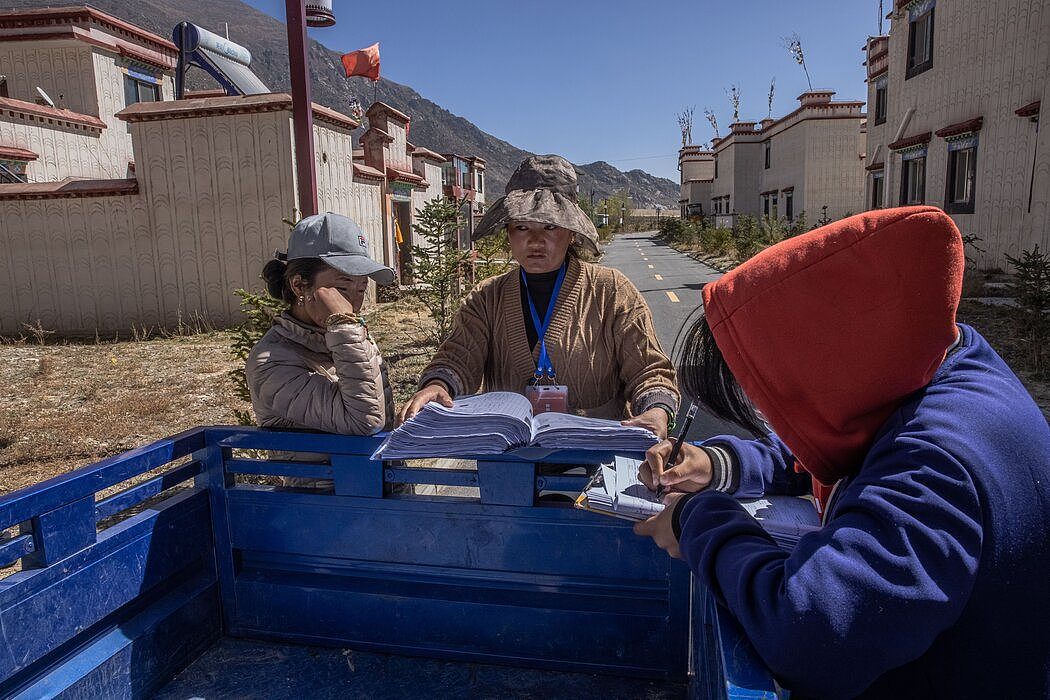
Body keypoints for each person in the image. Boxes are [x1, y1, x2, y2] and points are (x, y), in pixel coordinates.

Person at [633, 206, 1050, 698]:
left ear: (824, 372)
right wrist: (718, 465)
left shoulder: (935, 461)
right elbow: (819, 452)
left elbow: (811, 633)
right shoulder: (931, 362)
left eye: (776, 399)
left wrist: (698, 520)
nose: (775, 418)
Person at [400, 155, 679, 437]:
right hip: (510, 462)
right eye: (522, 227)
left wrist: (656, 410)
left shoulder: (612, 291)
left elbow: (650, 371)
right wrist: (438, 386)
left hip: (595, 461)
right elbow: (457, 358)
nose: (535, 240)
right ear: (507, 232)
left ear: (571, 232)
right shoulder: (486, 299)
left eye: (550, 227)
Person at [246, 212, 396, 441]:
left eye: (361, 290)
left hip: (371, 475)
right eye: (341, 289)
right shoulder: (271, 361)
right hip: (325, 477)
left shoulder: (341, 335)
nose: (351, 304)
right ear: (299, 286)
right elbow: (365, 421)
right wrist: (344, 326)